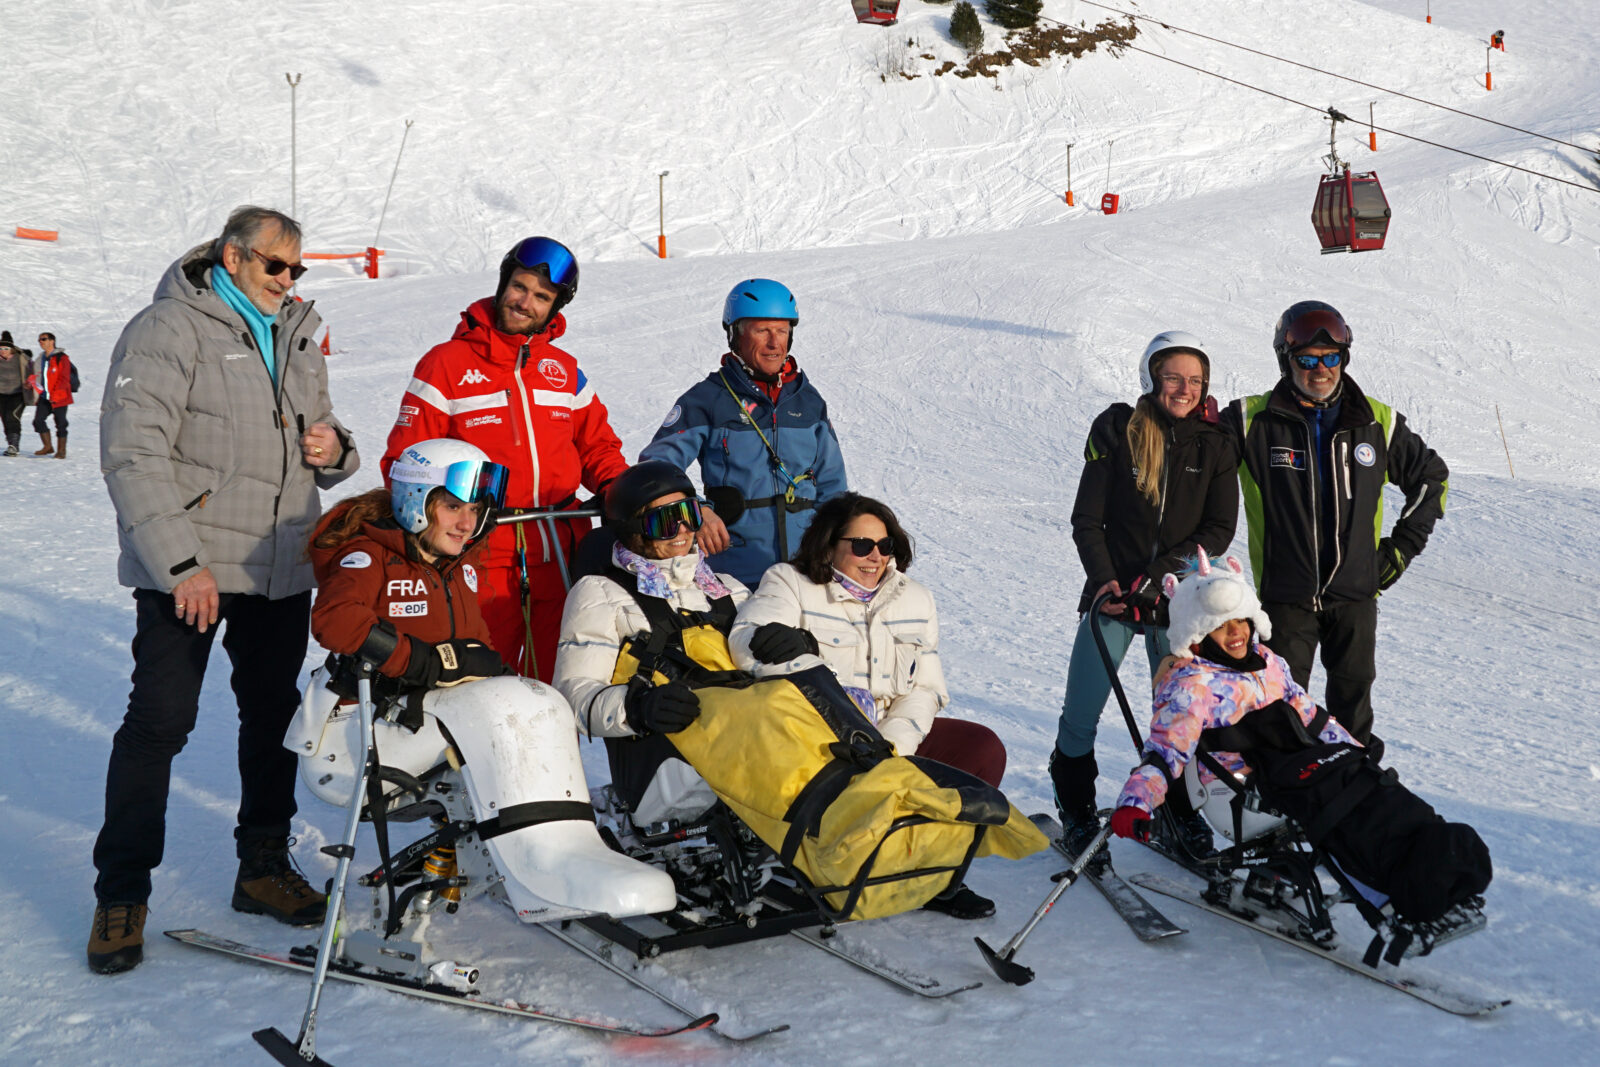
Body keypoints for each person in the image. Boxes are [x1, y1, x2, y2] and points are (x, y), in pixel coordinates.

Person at [91, 205, 359, 976]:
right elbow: (132, 454)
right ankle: (122, 891)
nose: (289, 280)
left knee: (275, 717)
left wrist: (336, 448)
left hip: (277, 564)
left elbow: (328, 437)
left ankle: (262, 867)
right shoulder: (168, 330)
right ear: (234, 257)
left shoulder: (299, 331)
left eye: (297, 269)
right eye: (277, 266)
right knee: (160, 722)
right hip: (192, 570)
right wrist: (180, 565)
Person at [305, 439, 674, 923]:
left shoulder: (456, 568)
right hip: (361, 734)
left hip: (426, 723)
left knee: (539, 699)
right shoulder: (370, 557)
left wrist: (482, 668)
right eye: (453, 507)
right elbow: (334, 621)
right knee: (501, 707)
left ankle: (566, 846)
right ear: (416, 502)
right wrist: (418, 660)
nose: (467, 522)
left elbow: (473, 650)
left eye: (476, 510)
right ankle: (544, 862)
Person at [1110, 549, 1490, 928]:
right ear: (1196, 635)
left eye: (1241, 620)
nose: (1237, 631)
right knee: (1338, 811)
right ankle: (1394, 900)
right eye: (1221, 626)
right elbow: (1164, 752)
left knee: (1368, 785)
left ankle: (1439, 862)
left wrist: (1355, 754)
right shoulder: (1191, 685)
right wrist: (1135, 803)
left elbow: (1311, 716)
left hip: (1294, 768)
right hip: (1237, 793)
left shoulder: (1268, 663)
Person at [729, 491, 1004, 919]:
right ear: (829, 544)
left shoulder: (915, 598)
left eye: (884, 545)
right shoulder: (791, 582)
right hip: (822, 742)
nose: (875, 557)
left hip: (889, 735)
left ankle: (936, 875)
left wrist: (893, 748)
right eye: (861, 545)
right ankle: (837, 864)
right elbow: (748, 635)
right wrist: (769, 642)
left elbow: (925, 689)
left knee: (981, 749)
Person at [382, 236, 628, 682]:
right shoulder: (446, 365)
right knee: (476, 687)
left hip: (560, 554)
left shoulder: (563, 370)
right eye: (520, 286)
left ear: (554, 308)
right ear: (503, 282)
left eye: (541, 296)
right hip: (478, 553)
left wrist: (621, 493)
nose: (525, 302)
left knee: (558, 691)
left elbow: (597, 448)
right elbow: (405, 460)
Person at [1050, 331, 1239, 867]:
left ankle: (1177, 811)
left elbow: (1219, 529)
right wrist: (1109, 581)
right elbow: (1087, 519)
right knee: (1081, 712)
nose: (1184, 388)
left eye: (1195, 380)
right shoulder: (1118, 430)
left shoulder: (1216, 443)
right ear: (1151, 377)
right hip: (1112, 597)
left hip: (1174, 602)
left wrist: (1156, 578)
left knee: (1176, 719)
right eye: (1173, 376)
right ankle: (1077, 807)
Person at [1224, 302, 1447, 744]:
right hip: (1286, 598)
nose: (1320, 369)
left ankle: (1355, 797)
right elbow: (1191, 452)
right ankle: (1282, 801)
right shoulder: (1253, 420)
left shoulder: (1377, 423)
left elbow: (1430, 479)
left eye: (1331, 357)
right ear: (1286, 362)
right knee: (1280, 707)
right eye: (1307, 359)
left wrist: (1399, 550)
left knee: (1352, 707)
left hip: (1355, 598)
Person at [553, 460, 749, 825]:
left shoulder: (727, 589)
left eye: (689, 515)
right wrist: (638, 707)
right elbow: (574, 695)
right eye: (664, 521)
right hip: (667, 770)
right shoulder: (601, 593)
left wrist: (790, 645)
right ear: (633, 531)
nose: (682, 531)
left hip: (745, 747)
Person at [639, 279, 847, 588]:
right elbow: (654, 469)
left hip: (806, 574)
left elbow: (833, 488)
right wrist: (697, 512)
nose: (775, 343)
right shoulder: (706, 400)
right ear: (735, 335)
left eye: (782, 331)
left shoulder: (809, 402)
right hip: (736, 575)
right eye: (762, 330)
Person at [30, 331, 74, 458]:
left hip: (60, 397)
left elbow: (64, 378)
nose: (41, 342)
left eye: (44, 339)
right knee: (38, 421)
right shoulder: (40, 359)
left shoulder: (62, 358)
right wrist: (32, 385)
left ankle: (61, 450)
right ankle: (48, 446)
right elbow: (38, 376)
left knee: (60, 423)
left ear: (52, 341)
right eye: (39, 340)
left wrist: (57, 393)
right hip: (44, 396)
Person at [0, 331, 32, 456]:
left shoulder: (21, 358)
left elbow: (32, 371)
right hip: (1, 394)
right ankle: (11, 444)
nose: (3, 351)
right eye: (1, 348)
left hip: (18, 393)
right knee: (5, 418)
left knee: (12, 416)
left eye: (6, 348)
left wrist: (30, 382)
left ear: (12, 349)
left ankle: (14, 445)